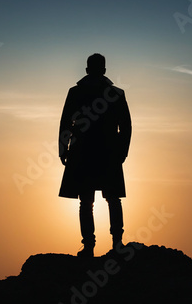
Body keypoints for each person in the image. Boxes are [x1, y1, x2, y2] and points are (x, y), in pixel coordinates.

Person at [58, 53, 132, 258]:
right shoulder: (116, 94)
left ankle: (89, 246)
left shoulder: (76, 92)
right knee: (113, 199)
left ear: (87, 70)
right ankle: (117, 243)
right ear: (105, 70)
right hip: (109, 152)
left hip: (83, 151)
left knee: (87, 200)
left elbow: (65, 123)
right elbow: (125, 126)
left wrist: (63, 149)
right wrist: (122, 151)